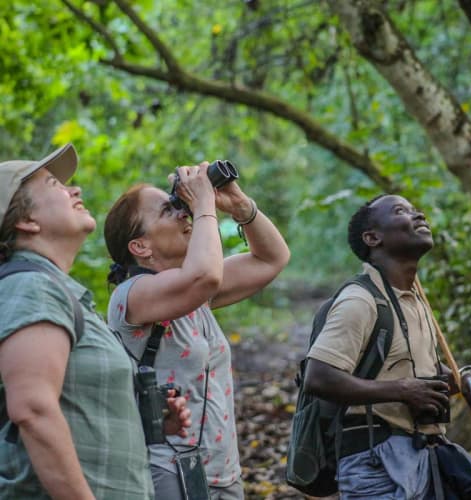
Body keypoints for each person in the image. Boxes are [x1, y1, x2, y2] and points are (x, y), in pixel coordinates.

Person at [0, 144, 191, 500]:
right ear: (26, 221)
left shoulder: (60, 293)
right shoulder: (31, 287)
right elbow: (33, 409)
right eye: (54, 185)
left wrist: (135, 416)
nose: (75, 189)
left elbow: (66, 405)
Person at [104, 161, 290, 499]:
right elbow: (205, 276)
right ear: (140, 247)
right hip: (167, 471)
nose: (182, 213)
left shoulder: (195, 296)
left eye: (179, 205)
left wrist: (239, 205)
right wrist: (203, 203)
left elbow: (271, 259)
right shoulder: (132, 296)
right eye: (167, 210)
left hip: (222, 469)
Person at [303, 194, 471, 499]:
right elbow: (318, 377)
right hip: (375, 466)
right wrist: (403, 391)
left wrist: (464, 379)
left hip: (423, 453)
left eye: (416, 210)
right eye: (401, 212)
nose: (418, 216)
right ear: (373, 238)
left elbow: (419, 374)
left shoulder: (415, 300)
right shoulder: (360, 302)